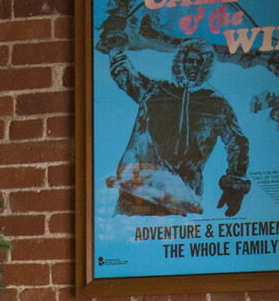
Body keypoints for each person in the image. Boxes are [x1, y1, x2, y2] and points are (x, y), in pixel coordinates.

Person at [105, 39, 251, 218]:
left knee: (172, 242)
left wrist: (234, 184)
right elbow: (127, 76)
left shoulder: (216, 104)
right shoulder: (155, 91)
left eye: (199, 62)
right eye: (190, 61)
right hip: (138, 188)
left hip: (181, 195)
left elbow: (238, 142)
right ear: (180, 62)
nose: (194, 66)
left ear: (206, 66)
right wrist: (114, 49)